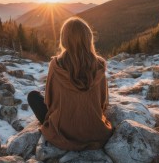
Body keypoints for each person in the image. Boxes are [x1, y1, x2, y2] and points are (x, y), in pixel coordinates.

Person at [27, 17, 112, 151]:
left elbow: (49, 102)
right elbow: (103, 103)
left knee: (33, 96)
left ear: (64, 39)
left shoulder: (56, 65)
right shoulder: (100, 64)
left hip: (63, 132)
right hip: (95, 132)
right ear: (88, 38)